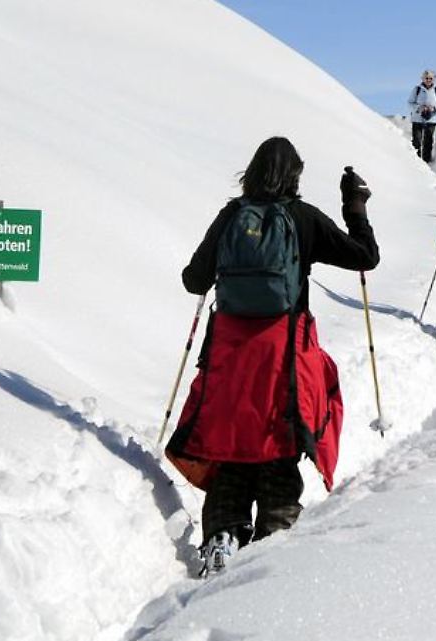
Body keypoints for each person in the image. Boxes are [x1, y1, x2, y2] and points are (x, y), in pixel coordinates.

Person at [167, 137, 379, 576]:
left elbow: (193, 280)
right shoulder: (302, 219)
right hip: (283, 355)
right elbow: (366, 258)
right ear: (295, 175)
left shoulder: (231, 216)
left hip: (229, 352)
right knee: (278, 448)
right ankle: (273, 549)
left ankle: (222, 536)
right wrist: (354, 205)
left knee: (231, 447)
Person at [408, 69, 436, 163]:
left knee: (428, 141)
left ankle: (426, 161)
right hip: (417, 118)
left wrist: (434, 108)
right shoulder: (417, 89)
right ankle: (416, 161)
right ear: (423, 79)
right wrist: (419, 107)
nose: (428, 80)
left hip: (432, 118)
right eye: (426, 78)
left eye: (430, 78)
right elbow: (409, 103)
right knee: (417, 140)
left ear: (434, 79)